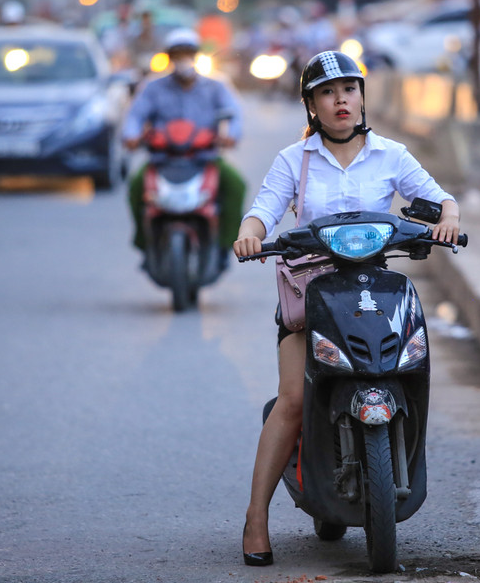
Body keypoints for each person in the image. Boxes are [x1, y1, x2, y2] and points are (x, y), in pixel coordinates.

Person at [233, 50, 460, 566]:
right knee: (291, 400)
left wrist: (447, 217)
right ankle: (256, 517)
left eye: (350, 90)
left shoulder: (391, 154)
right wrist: (250, 235)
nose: (342, 100)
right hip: (312, 293)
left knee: (409, 365)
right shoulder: (295, 160)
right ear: (312, 105)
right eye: (328, 93)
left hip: (372, 290)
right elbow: (263, 210)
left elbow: (440, 198)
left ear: (362, 96)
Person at [123, 28, 246, 267]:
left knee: (235, 186)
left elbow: (235, 115)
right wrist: (131, 135)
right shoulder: (152, 87)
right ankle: (146, 244)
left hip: (205, 158)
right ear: (169, 58)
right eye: (177, 54)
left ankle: (224, 246)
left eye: (187, 53)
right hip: (162, 160)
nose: (182, 59)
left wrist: (231, 135)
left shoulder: (216, 86)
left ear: (196, 55)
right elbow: (134, 117)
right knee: (136, 186)